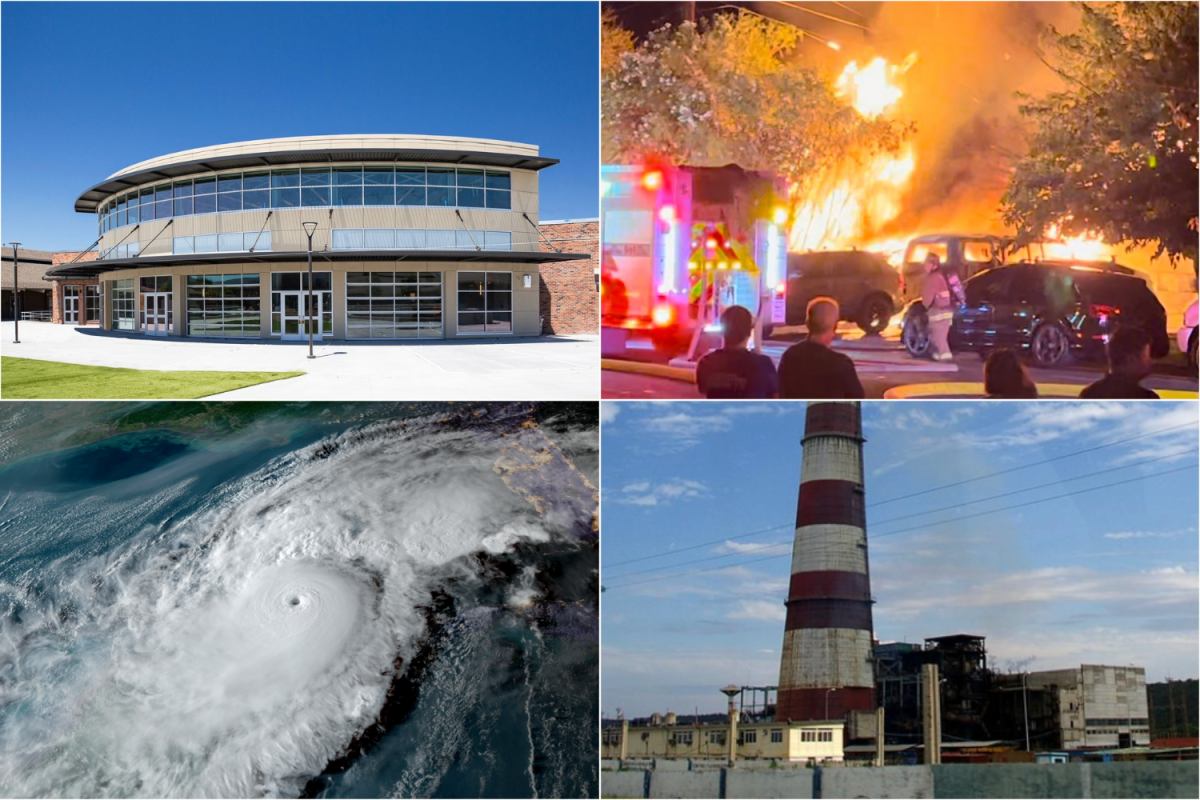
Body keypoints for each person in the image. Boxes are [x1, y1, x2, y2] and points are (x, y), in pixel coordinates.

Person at [777, 297, 865, 399]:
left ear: (808, 323)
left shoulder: (790, 356)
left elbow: (780, 392)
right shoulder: (842, 364)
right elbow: (858, 401)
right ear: (835, 326)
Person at [695, 305, 778, 399]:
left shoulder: (706, 363)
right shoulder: (764, 364)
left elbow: (703, 390)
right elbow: (775, 398)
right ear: (750, 332)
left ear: (722, 331)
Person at [1080, 325, 1161, 399]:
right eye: (1146, 356)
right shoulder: (1146, 399)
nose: (1151, 361)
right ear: (1131, 359)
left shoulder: (1089, 394)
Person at [921, 253, 957, 362]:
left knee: (937, 338)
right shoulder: (942, 275)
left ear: (933, 264)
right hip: (947, 311)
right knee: (940, 337)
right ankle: (942, 357)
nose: (924, 267)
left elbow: (927, 299)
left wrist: (924, 306)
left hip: (938, 312)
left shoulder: (933, 278)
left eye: (926, 264)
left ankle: (945, 359)